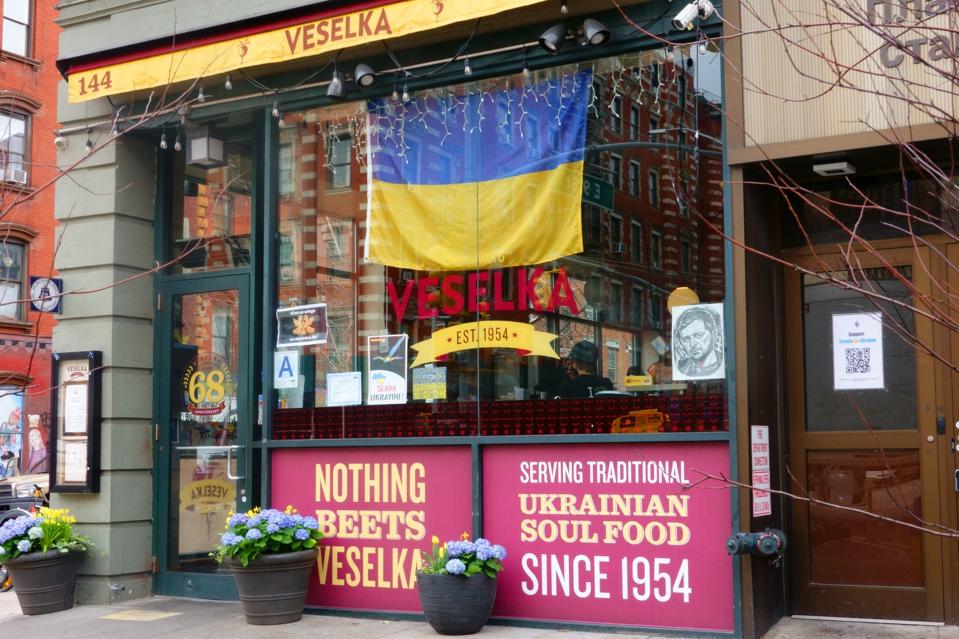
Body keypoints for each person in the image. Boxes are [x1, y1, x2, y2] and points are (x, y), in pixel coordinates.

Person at [674, 306, 724, 379]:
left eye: (699, 335)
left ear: (714, 334)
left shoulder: (724, 364)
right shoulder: (682, 367)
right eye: (686, 339)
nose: (692, 344)